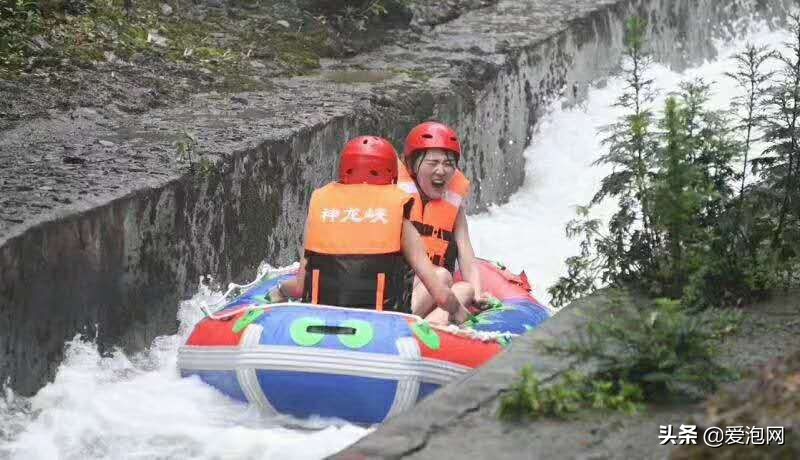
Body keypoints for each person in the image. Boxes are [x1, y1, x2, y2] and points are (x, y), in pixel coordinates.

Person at [272, 136, 466, 321]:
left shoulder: (322, 211)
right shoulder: (399, 220)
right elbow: (440, 295)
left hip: (322, 314)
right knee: (441, 277)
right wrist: (461, 314)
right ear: (392, 173)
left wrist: (279, 291)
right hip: (384, 321)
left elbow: (299, 287)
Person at [398, 121, 487, 325]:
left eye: (448, 164)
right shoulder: (396, 200)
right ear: (411, 165)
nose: (441, 170)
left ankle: (427, 331)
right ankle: (403, 325)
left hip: (435, 288)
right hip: (401, 289)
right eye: (433, 163)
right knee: (442, 276)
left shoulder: (454, 209)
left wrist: (479, 293)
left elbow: (466, 254)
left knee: (465, 289)